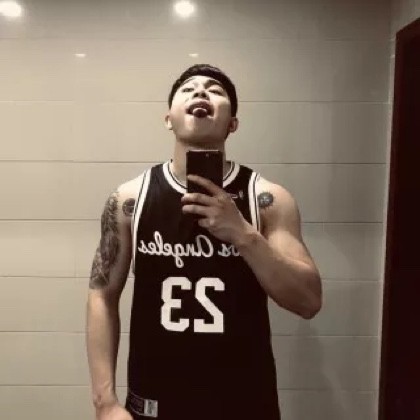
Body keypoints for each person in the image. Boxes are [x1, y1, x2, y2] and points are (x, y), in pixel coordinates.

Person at [86, 64, 322, 420]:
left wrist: (243, 234)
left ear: (233, 124)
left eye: (215, 90)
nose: (200, 91)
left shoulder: (267, 199)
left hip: (245, 404)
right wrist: (104, 402)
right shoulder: (130, 199)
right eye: (188, 88)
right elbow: (101, 295)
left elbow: (308, 301)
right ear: (168, 119)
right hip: (154, 402)